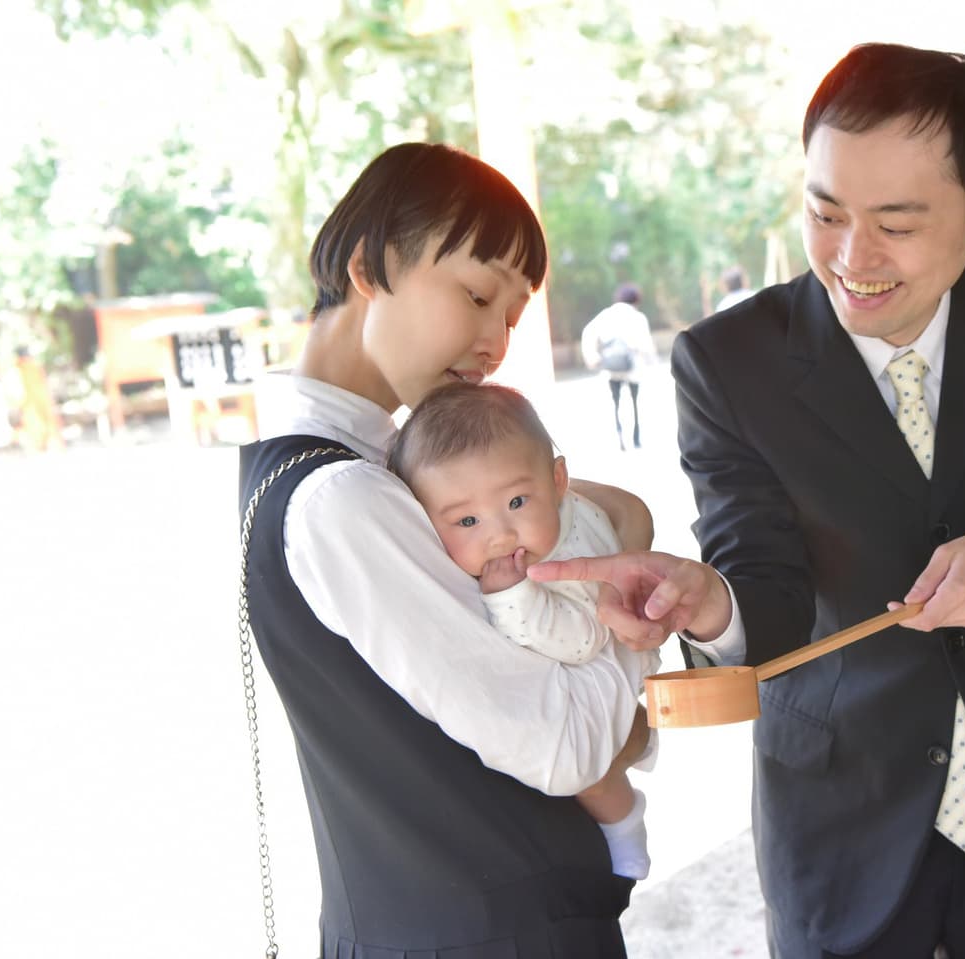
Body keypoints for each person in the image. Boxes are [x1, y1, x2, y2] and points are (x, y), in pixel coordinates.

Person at [530, 42, 965, 958]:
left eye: (897, 221)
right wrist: (712, 602)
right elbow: (762, 575)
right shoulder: (728, 363)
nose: (854, 256)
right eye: (825, 211)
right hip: (842, 834)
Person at [239, 142, 654, 959]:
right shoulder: (344, 498)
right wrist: (628, 615)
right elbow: (567, 743)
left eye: (513, 313)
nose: (495, 339)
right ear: (368, 267)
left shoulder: (327, 468)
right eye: (476, 295)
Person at [385, 380, 658, 880]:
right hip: (601, 664)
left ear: (558, 481)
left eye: (516, 503)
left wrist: (512, 599)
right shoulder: (548, 523)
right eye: (467, 520)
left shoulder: (567, 554)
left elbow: (582, 641)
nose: (499, 534)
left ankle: (625, 820)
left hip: (599, 651)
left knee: (590, 775)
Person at [580, 282, 656, 450]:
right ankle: (636, 438)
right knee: (635, 403)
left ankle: (620, 436)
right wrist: (651, 360)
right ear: (636, 299)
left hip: (610, 367)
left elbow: (588, 333)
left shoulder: (605, 315)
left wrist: (593, 358)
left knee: (616, 403)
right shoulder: (638, 317)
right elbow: (646, 344)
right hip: (633, 367)